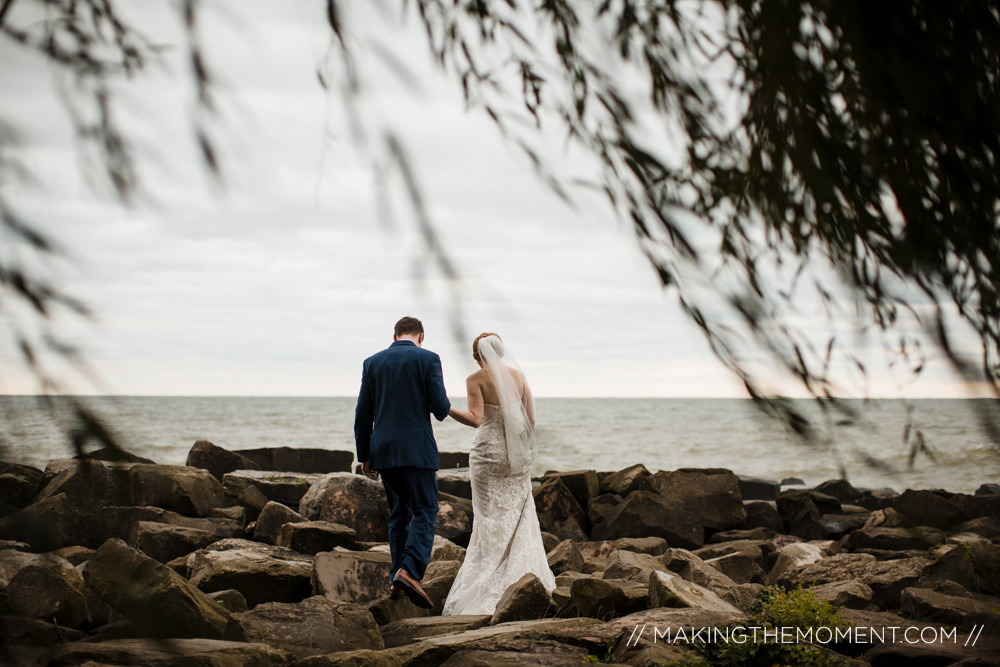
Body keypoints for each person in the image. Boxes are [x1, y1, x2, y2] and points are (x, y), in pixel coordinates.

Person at [442, 332, 556, 615]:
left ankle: (485, 581)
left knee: (488, 518)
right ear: (501, 352)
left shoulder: (475, 379)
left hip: (487, 455)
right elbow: (530, 420)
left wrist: (447, 409)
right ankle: (525, 579)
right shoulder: (519, 378)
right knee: (519, 516)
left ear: (477, 356)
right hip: (517, 459)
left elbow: (476, 419)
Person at [354, 316, 450, 608]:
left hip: (383, 452)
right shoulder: (428, 359)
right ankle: (410, 571)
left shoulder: (372, 362)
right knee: (425, 510)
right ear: (422, 335)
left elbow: (362, 414)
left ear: (394, 335)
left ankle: (396, 579)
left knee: (399, 513)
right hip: (417, 451)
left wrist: (365, 455)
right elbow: (441, 409)